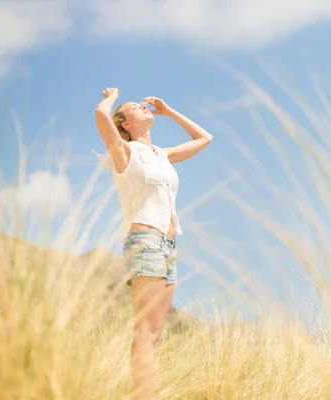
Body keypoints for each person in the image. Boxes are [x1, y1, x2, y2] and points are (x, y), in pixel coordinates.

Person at [94, 87, 212, 399]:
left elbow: (204, 138)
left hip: (168, 246)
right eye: (135, 107)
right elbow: (101, 116)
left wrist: (169, 111)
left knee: (154, 332)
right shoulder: (124, 152)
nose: (143, 107)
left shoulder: (162, 154)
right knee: (145, 332)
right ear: (127, 124)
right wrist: (113, 96)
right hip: (144, 241)